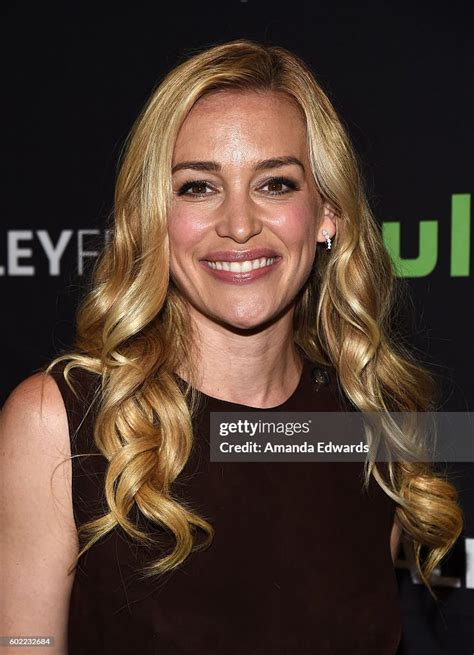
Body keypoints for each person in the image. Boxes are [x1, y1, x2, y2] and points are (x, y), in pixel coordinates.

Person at [0, 39, 463, 654]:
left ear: (326, 213)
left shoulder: (369, 427)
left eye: (275, 183)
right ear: (152, 216)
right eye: (197, 187)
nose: (239, 225)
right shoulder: (57, 424)